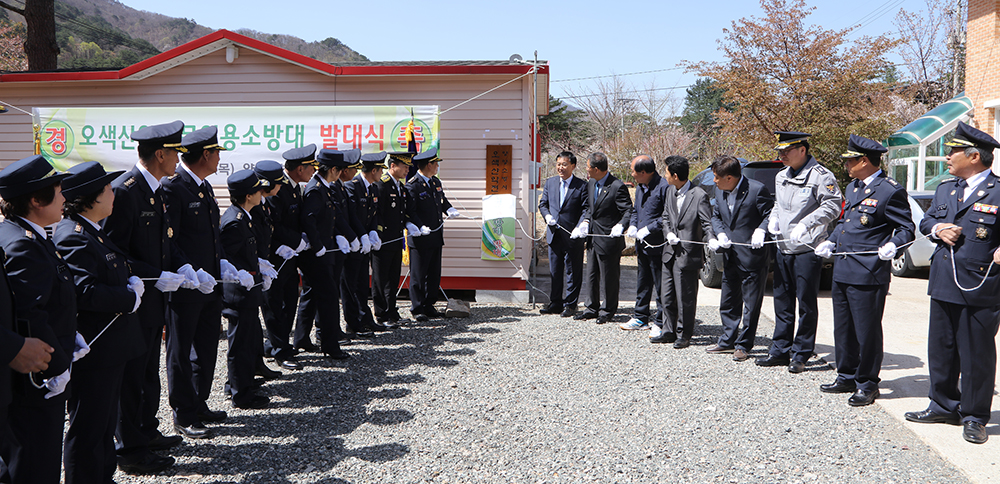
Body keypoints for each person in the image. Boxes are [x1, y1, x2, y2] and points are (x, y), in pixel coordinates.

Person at [54, 162, 147, 484]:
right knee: (89, 427)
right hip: (95, 348)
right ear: (91, 197)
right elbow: (85, 291)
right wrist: (127, 297)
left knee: (105, 424)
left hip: (111, 346)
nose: (113, 194)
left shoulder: (92, 229)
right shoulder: (73, 235)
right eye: (107, 189)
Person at [907, 121, 1000, 444]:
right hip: (944, 279)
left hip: (980, 284)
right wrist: (937, 229)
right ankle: (943, 405)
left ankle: (975, 416)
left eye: (953, 152)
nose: (947, 157)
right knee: (941, 349)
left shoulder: (998, 190)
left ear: (974, 156)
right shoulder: (947, 188)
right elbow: (928, 220)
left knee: (976, 354)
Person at [104, 120, 187, 472]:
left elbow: (165, 241)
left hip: (155, 299)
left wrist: (182, 266)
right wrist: (155, 274)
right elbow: (113, 252)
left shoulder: (156, 190)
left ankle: (147, 431)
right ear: (160, 154)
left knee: (149, 372)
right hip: (136, 301)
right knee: (132, 377)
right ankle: (130, 450)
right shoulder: (125, 191)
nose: (178, 160)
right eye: (175, 153)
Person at [813, 135, 913, 407]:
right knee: (843, 328)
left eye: (850, 160)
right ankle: (846, 375)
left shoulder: (889, 190)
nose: (846, 165)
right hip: (844, 268)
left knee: (867, 332)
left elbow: (906, 229)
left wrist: (894, 245)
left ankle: (867, 383)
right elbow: (845, 223)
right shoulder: (854, 187)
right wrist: (831, 241)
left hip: (868, 272)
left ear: (865, 161)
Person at [0, 155, 76, 484]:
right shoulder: (21, 243)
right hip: (36, 377)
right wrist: (57, 365)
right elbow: (30, 315)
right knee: (35, 462)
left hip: (41, 364)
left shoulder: (28, 234)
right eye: (58, 191)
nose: (64, 198)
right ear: (35, 200)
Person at [162, 125, 233, 439]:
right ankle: (183, 412)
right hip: (187, 286)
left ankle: (199, 401)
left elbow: (212, 236)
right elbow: (170, 240)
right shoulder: (173, 187)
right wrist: (188, 271)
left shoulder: (202, 187)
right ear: (206, 154)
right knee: (180, 352)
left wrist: (222, 263)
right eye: (216, 152)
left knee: (205, 347)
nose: (219, 158)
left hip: (209, 284)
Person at [759, 131, 842, 373]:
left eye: (787, 151)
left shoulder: (820, 176)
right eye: (780, 151)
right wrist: (773, 219)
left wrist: (807, 223)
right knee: (782, 301)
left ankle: (801, 353)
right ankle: (780, 350)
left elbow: (833, 205)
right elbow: (779, 204)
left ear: (802, 150)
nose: (782, 155)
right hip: (784, 246)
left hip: (807, 248)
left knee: (806, 303)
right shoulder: (781, 175)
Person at [705, 155, 773, 362]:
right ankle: (727, 340)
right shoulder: (720, 190)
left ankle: (744, 345)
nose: (714, 181)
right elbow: (716, 216)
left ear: (730, 178)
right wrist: (720, 234)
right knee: (728, 300)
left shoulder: (756, 190)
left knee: (751, 304)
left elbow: (770, 215)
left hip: (752, 257)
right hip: (730, 254)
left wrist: (761, 230)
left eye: (717, 177)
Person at [220, 170, 272, 409]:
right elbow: (227, 257)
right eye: (258, 190)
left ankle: (240, 382)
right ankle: (240, 394)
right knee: (240, 344)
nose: (262, 193)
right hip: (239, 292)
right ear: (248, 195)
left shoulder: (244, 216)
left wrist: (259, 266)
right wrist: (242, 272)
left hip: (248, 289)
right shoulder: (234, 221)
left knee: (248, 340)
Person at [257, 154, 311, 371]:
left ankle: (277, 344)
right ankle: (280, 350)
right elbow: (272, 226)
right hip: (274, 259)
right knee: (274, 306)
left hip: (289, 256)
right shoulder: (270, 195)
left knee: (289, 301)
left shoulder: (292, 189)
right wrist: (292, 242)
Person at [654, 155, 713, 347]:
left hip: (687, 254)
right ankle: (668, 330)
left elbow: (707, 222)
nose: (665, 176)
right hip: (669, 252)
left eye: (667, 173)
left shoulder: (699, 195)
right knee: (667, 295)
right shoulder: (670, 191)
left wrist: (711, 239)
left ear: (675, 175)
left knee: (685, 297)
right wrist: (669, 233)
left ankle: (684, 334)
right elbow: (665, 217)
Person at [297, 149, 350, 360]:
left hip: (324, 250)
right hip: (316, 255)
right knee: (328, 297)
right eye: (340, 170)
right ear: (333, 169)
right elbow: (308, 219)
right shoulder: (316, 189)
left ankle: (301, 339)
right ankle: (330, 345)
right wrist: (318, 245)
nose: (341, 173)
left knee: (310, 295)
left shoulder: (324, 187)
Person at [571, 152, 632, 325]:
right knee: (591, 275)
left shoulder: (617, 186)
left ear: (596, 169)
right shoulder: (591, 183)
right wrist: (585, 222)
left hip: (609, 239)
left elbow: (628, 211)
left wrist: (621, 226)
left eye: (588, 167)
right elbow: (591, 208)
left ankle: (608, 310)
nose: (586, 170)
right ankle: (591, 308)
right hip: (592, 237)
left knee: (609, 277)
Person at [405, 148, 460, 322]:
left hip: (435, 236)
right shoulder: (412, 185)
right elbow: (410, 211)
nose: (437, 167)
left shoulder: (435, 182)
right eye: (436, 164)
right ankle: (417, 308)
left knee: (434, 274)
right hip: (420, 237)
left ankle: (429, 305)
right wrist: (419, 226)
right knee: (419, 275)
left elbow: (442, 200)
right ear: (429, 165)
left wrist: (449, 209)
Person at [537, 151, 587, 318]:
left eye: (564, 164)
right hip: (554, 234)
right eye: (558, 164)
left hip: (573, 235)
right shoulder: (550, 183)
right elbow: (543, 204)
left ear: (573, 166)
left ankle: (571, 305)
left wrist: (580, 227)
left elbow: (586, 209)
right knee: (555, 270)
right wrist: (547, 216)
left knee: (573, 271)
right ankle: (555, 303)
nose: (560, 168)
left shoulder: (581, 185)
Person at [621, 155, 667, 331]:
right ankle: (640, 317)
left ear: (643, 172)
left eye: (633, 171)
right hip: (642, 245)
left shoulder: (663, 187)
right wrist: (633, 225)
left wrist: (649, 229)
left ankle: (661, 321)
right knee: (643, 282)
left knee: (661, 285)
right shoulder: (641, 187)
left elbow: (667, 216)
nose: (632, 174)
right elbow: (636, 210)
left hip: (658, 245)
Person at [340, 150, 382, 336]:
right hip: (353, 243)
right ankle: (352, 324)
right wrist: (362, 235)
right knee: (350, 286)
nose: (382, 173)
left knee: (363, 284)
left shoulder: (373, 188)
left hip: (364, 245)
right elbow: (352, 216)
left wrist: (373, 232)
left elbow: (372, 214)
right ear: (373, 171)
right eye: (380, 170)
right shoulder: (352, 186)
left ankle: (365, 319)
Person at [372, 152, 414, 326]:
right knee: (380, 279)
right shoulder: (382, 185)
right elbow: (378, 214)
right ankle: (381, 315)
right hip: (383, 241)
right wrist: (378, 234)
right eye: (404, 167)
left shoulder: (400, 186)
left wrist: (409, 224)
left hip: (396, 240)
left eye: (408, 167)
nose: (407, 170)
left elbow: (401, 212)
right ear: (392, 166)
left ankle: (392, 312)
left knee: (393, 279)